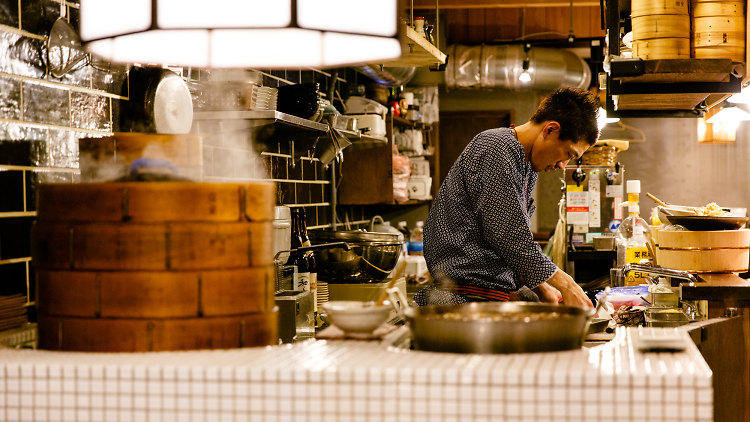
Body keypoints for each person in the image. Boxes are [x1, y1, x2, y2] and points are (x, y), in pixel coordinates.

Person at [416, 87, 598, 308]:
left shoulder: (526, 165)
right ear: (550, 130)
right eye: (569, 154)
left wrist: (542, 287)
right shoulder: (495, 148)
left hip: (491, 296)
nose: (563, 165)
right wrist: (567, 285)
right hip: (465, 300)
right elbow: (510, 236)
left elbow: (500, 240)